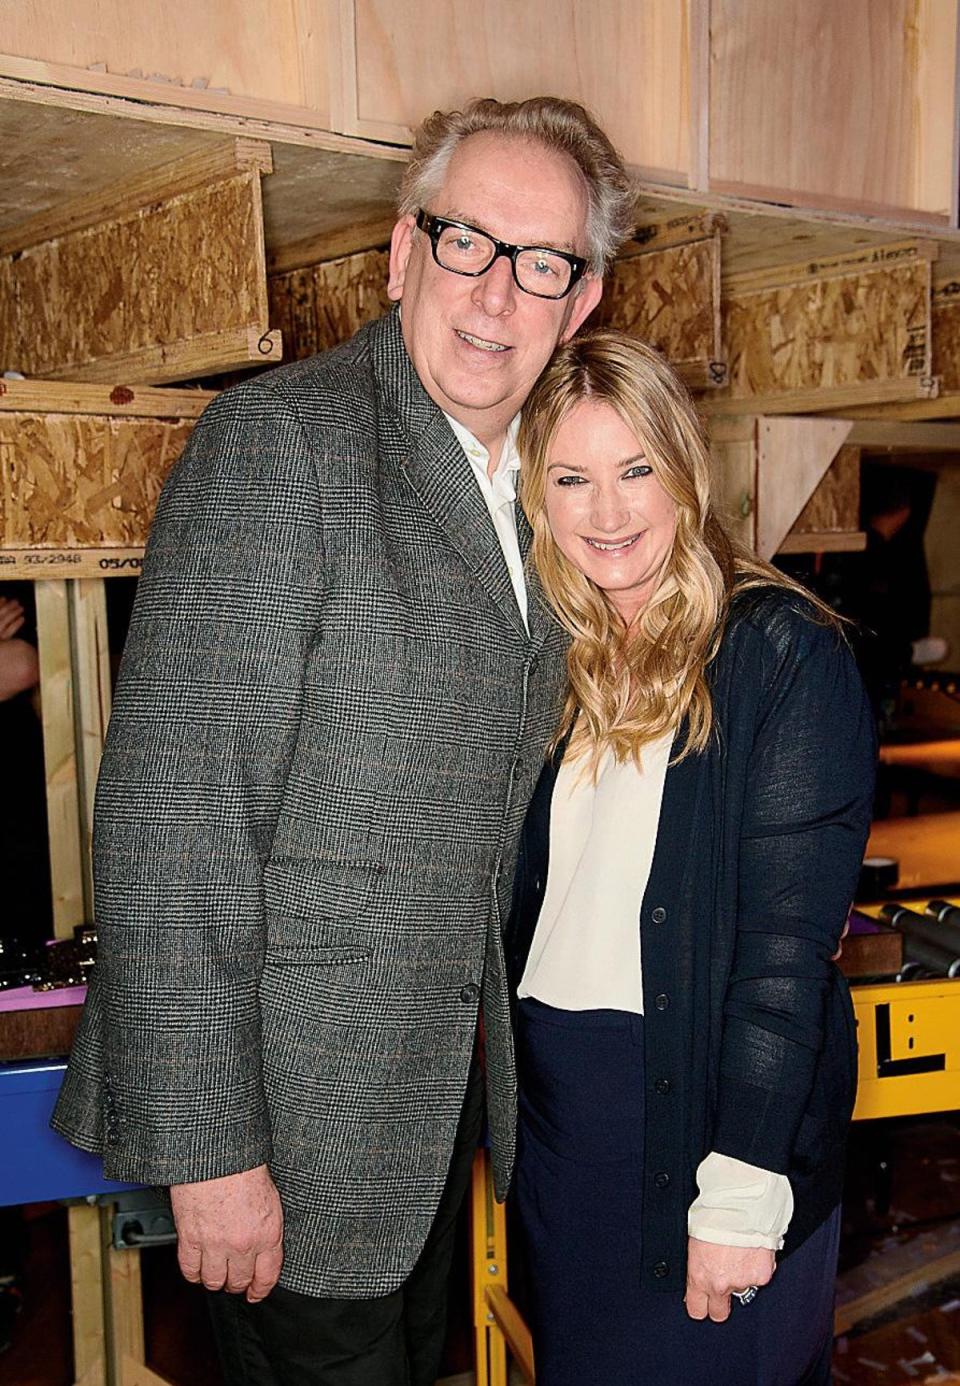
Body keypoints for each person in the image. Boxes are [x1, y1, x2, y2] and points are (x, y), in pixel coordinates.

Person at [50, 99, 634, 1385]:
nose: (496, 292)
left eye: (542, 263)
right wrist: (212, 1152)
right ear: (399, 255)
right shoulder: (284, 444)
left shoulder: (540, 488)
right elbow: (174, 822)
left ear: (580, 302)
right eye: (466, 240)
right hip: (288, 1131)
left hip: (428, 1123)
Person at [506, 331, 876, 1386]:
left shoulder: (779, 652)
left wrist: (744, 1186)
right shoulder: (559, 661)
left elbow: (782, 960)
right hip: (566, 1126)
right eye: (572, 478)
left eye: (636, 471)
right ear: (540, 495)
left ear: (685, 472)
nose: (607, 512)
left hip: (709, 1112)